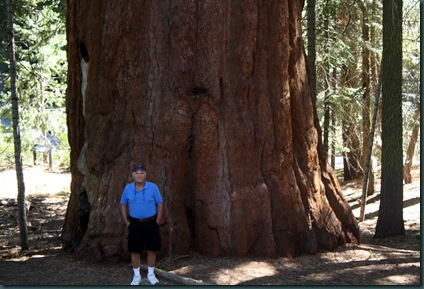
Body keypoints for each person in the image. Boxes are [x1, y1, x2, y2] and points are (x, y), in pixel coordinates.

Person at [120, 164, 164, 285]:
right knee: (135, 250)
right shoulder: (128, 188)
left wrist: (157, 221)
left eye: (142, 173)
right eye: (137, 173)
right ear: (133, 175)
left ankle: (151, 274)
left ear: (146, 175)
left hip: (151, 222)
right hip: (134, 223)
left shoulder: (153, 187)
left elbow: (160, 203)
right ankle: (136, 275)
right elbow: (123, 204)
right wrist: (126, 222)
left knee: (152, 249)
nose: (139, 175)